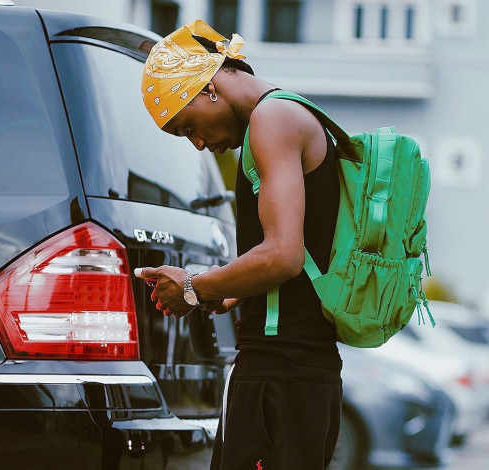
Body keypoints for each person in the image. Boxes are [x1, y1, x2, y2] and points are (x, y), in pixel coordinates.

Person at [136, 20, 342, 470]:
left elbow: (283, 256)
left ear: (209, 87)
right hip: (292, 378)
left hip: (280, 378)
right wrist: (232, 288)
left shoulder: (273, 119)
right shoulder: (285, 115)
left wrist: (193, 286)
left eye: (188, 126)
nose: (198, 143)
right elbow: (302, 251)